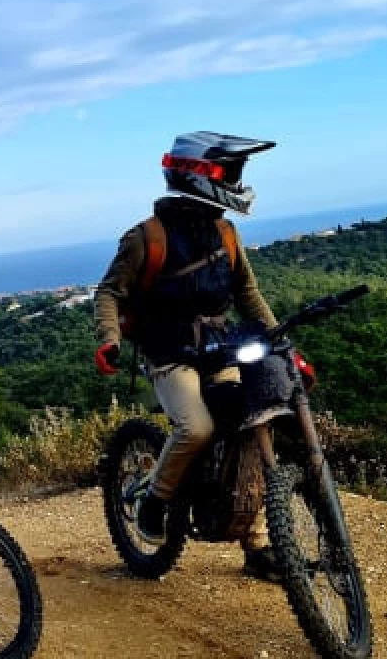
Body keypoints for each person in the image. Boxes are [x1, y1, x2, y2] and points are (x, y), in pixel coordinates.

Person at [92, 131, 301, 581]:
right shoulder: (146, 238)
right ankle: (155, 501)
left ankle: (259, 543)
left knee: (251, 423)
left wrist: (277, 338)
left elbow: (247, 291)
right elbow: (110, 292)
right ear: (199, 176)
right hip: (169, 355)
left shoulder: (225, 233)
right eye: (229, 172)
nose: (235, 180)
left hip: (220, 348)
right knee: (197, 427)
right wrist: (108, 338)